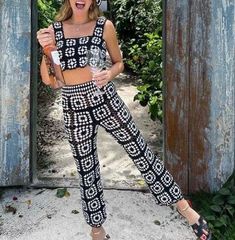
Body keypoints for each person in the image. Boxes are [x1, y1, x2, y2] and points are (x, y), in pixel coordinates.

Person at [37, 1, 211, 239]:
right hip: (73, 104)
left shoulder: (103, 26)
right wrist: (46, 49)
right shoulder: (54, 29)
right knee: (86, 169)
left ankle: (184, 207)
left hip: (105, 98)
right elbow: (52, 81)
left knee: (139, 150)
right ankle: (97, 230)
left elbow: (119, 63)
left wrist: (109, 73)